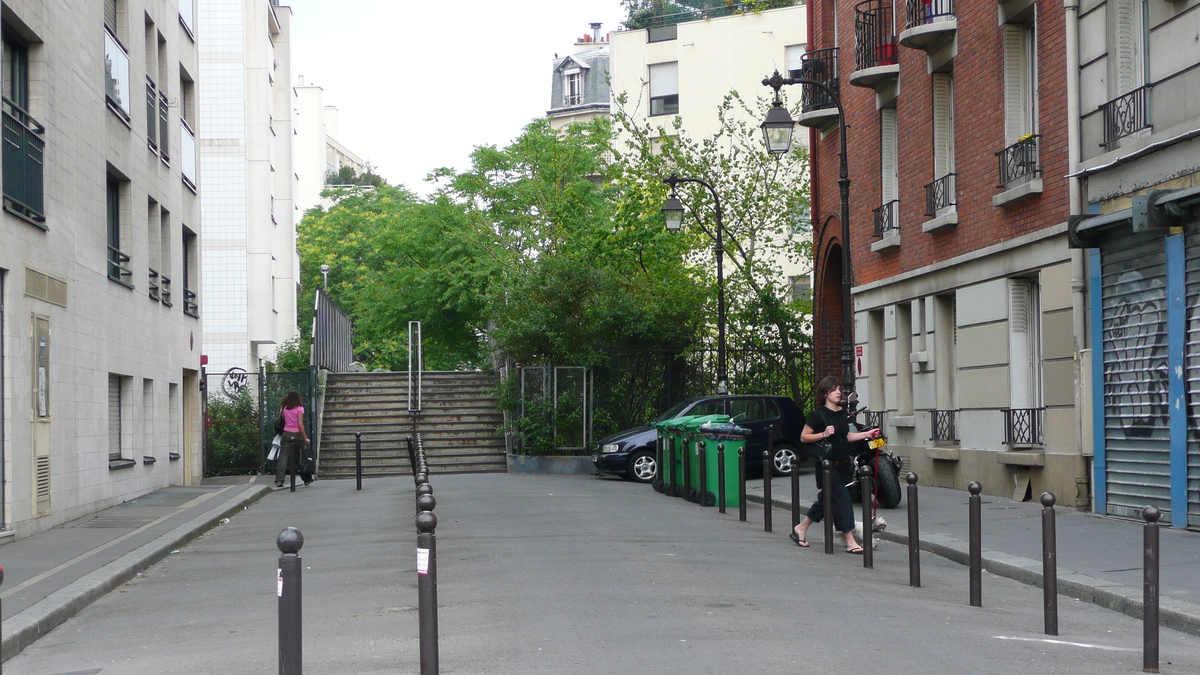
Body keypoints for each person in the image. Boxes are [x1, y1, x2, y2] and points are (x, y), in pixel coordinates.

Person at [789, 376, 880, 553]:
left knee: (827, 500)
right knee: (843, 500)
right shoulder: (817, 415)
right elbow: (804, 437)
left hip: (842, 464)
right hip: (826, 466)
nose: (838, 392)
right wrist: (823, 434)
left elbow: (845, 437)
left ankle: (801, 528)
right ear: (825, 394)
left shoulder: (841, 413)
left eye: (839, 389)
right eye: (834, 389)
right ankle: (850, 541)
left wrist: (867, 434)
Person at [275, 390, 313, 488]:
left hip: (286, 434)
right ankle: (306, 479)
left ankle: (279, 480)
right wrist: (305, 437)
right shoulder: (300, 409)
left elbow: (283, 420)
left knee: (283, 457)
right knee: (299, 459)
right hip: (296, 435)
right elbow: (300, 424)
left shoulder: (284, 408)